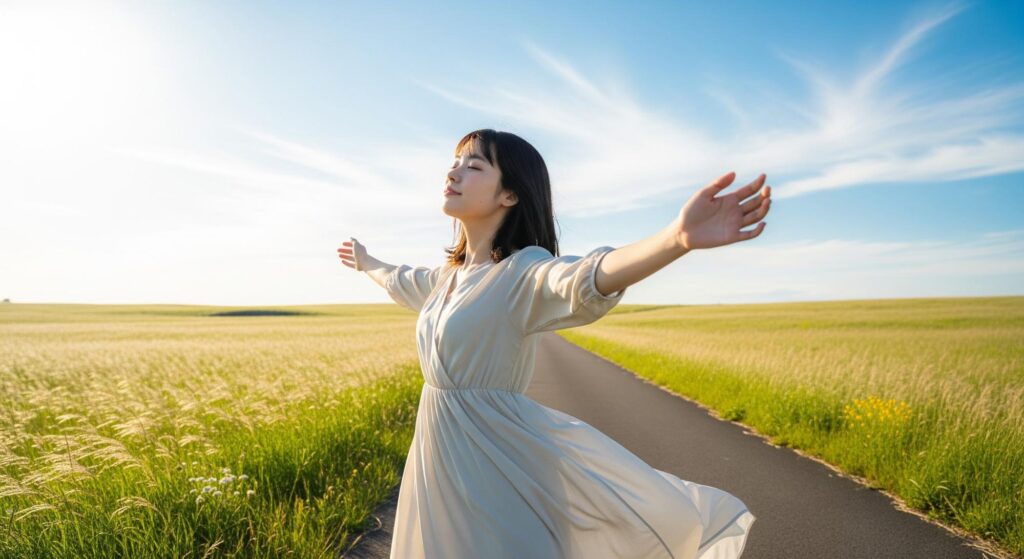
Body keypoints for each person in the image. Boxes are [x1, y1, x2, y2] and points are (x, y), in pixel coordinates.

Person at [337, 129, 770, 558]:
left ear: (509, 195)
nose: (454, 173)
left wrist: (674, 239)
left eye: (474, 165)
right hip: (436, 457)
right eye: (454, 163)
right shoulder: (444, 279)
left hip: (498, 461)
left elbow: (586, 276)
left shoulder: (522, 272)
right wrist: (365, 262)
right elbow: (398, 279)